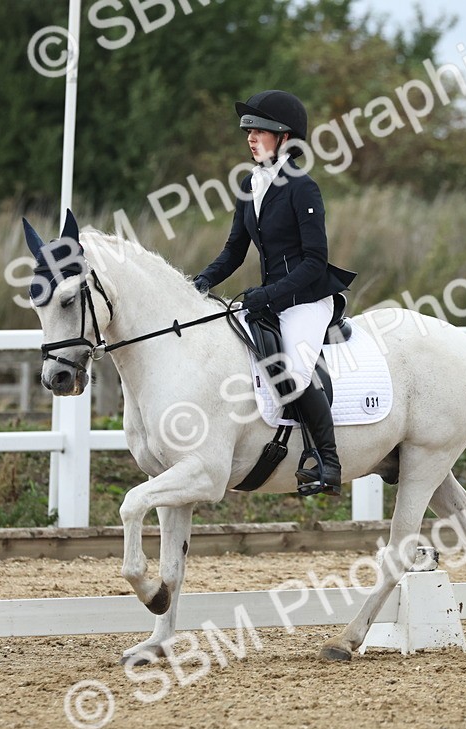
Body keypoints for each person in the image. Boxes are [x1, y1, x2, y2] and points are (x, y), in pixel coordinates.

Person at [193, 90, 355, 496]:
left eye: (260, 131)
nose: (251, 138)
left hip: (306, 299)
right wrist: (201, 281)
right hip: (270, 297)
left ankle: (328, 462)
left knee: (294, 371)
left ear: (285, 138)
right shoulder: (250, 184)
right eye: (248, 131)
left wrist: (269, 294)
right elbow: (234, 250)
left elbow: (315, 261)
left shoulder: (303, 187)